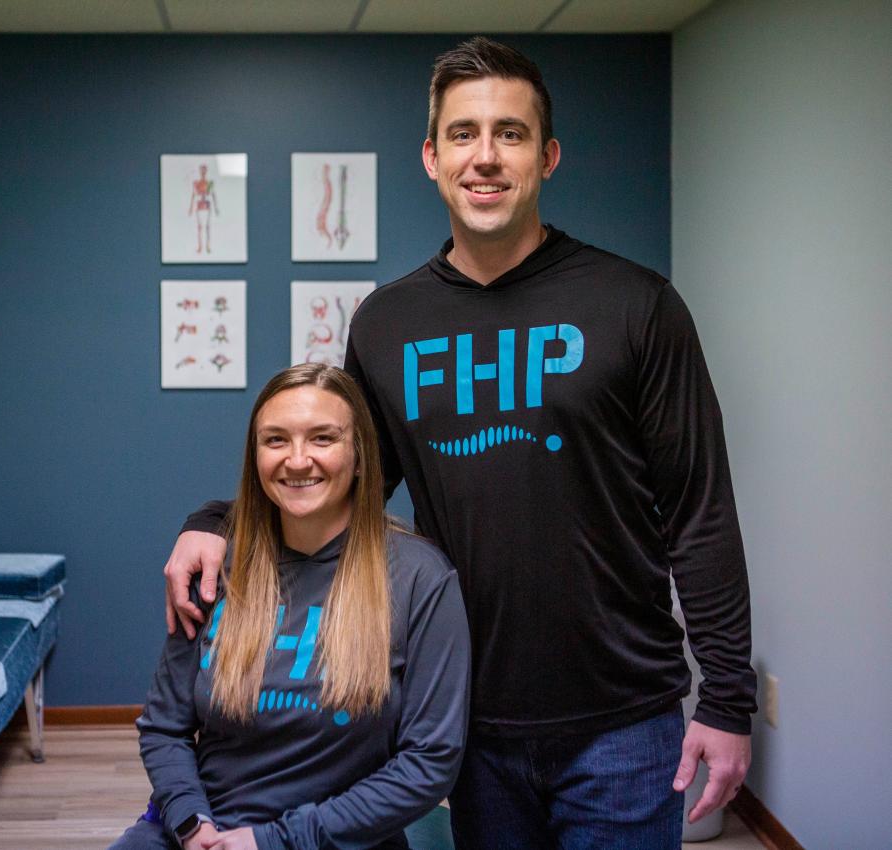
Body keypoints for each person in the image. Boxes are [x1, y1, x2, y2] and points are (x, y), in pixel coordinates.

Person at [164, 36, 756, 849]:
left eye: (510, 134)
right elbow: (343, 483)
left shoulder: (635, 304)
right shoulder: (388, 322)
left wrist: (726, 700)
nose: (485, 156)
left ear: (547, 157)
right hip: (468, 714)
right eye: (463, 134)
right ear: (431, 157)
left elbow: (700, 514)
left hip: (623, 719)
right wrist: (215, 519)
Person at [116, 364, 469, 850]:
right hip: (199, 832)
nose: (297, 460)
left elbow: (429, 761)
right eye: (276, 440)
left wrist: (271, 841)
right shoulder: (216, 566)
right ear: (254, 457)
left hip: (334, 838)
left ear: (361, 456)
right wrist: (193, 824)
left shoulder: (419, 577)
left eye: (323, 438)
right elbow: (164, 728)